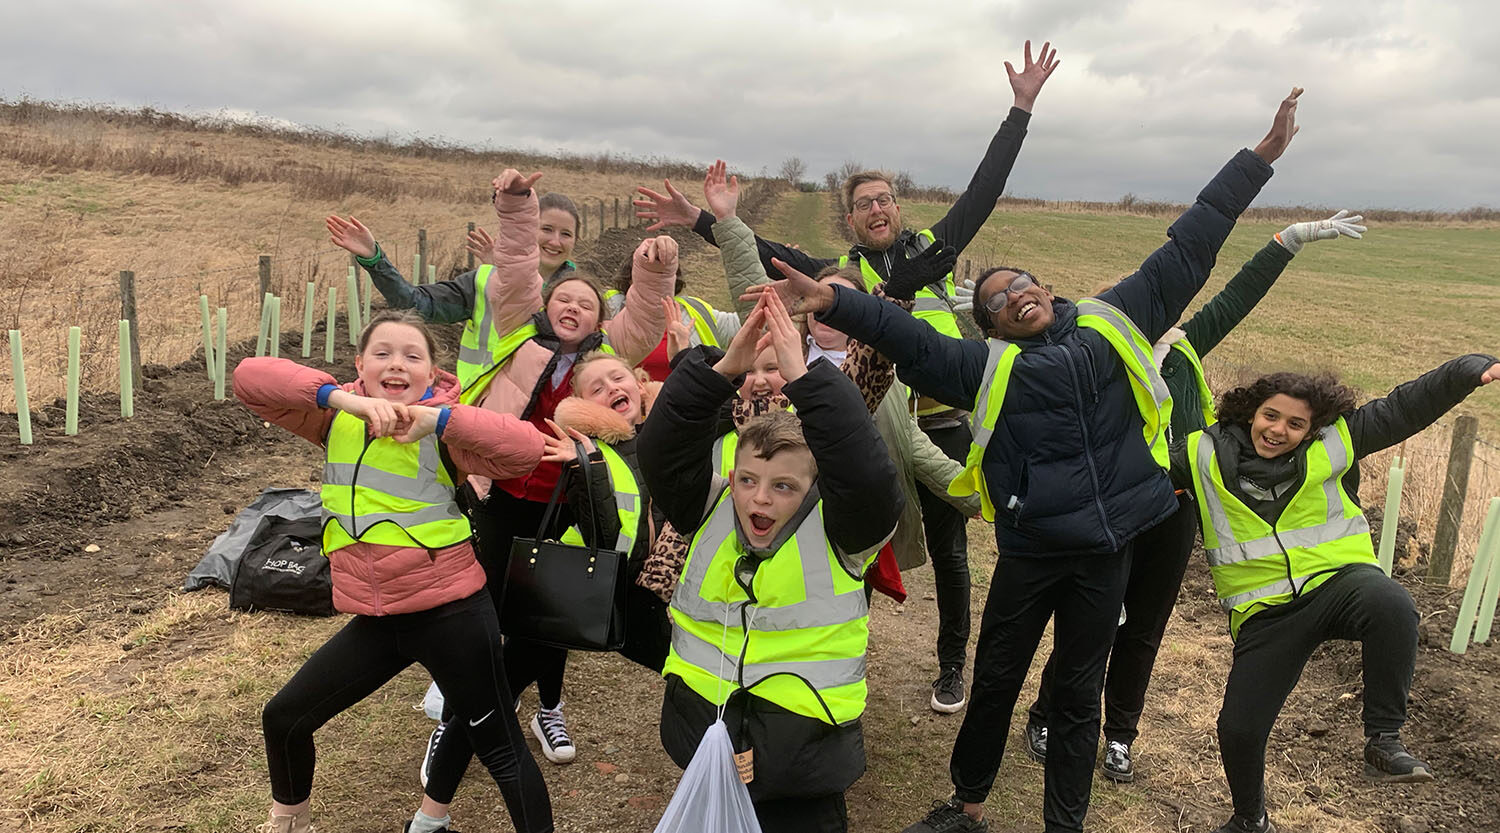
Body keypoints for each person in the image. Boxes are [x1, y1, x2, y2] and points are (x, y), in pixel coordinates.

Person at [743, 88, 1304, 833]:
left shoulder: (1114, 320)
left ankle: (1063, 824)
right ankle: (967, 804)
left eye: (1023, 284)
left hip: (1107, 551)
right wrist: (839, 305)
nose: (1016, 295)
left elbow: (1189, 245)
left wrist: (1256, 161)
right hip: (1033, 547)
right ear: (993, 324)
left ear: (1047, 290)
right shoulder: (987, 368)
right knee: (998, 679)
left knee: (1078, 692)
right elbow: (912, 343)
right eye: (1000, 298)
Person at [1024, 209, 1367, 782]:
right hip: (1112, 509)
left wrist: (1287, 242)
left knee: (1144, 627)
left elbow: (1238, 297)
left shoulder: (1185, 347)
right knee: (1094, 620)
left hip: (1176, 505)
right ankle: (1049, 714)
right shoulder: (1094, 353)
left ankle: (1120, 736)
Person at [232, 311, 555, 833]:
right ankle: (289, 823)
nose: (396, 364)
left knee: (499, 748)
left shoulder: (444, 427)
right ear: (360, 364)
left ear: (432, 372)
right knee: (285, 718)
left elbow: (526, 450)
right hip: (379, 618)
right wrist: (344, 399)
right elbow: (249, 377)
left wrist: (440, 419)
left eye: (413, 356)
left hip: (453, 615)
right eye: (382, 353)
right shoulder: (334, 418)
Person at [694, 149, 989, 709]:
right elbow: (750, 287)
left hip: (846, 512)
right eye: (823, 303)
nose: (832, 313)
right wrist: (725, 221)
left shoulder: (877, 372)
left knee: (841, 599)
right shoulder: (784, 356)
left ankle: (827, 686)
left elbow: (912, 443)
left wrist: (974, 491)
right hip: (778, 503)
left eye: (846, 305)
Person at [408, 170, 671, 778]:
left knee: (553, 605)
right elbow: (520, 266)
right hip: (507, 492)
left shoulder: (610, 351)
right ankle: (462, 712)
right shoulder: (519, 332)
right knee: (491, 605)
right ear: (546, 307)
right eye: (564, 301)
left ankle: (547, 707)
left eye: (587, 303)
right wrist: (516, 205)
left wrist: (654, 271)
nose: (574, 308)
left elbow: (647, 314)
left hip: (574, 497)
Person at [1173, 358, 1500, 833]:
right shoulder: (1199, 453)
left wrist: (1470, 370)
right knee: (1239, 729)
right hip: (1265, 613)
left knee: (1392, 604)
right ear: (1251, 413)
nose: (1279, 430)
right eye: (1271, 416)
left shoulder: (1338, 439)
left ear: (1311, 428)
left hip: (1339, 584)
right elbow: (1136, 480)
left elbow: (1406, 406)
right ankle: (1250, 819)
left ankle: (1383, 741)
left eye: (1295, 423)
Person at [638, 289, 904, 833]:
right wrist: (721, 369)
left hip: (803, 765)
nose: (759, 500)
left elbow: (868, 474)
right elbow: (662, 450)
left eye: (783, 486)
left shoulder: (843, 534)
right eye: (748, 481)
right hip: (706, 740)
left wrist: (806, 380)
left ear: (814, 487)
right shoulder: (708, 505)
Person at [541, 350, 674, 672]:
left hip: (678, 584)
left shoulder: (674, 431)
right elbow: (603, 536)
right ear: (584, 405)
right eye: (597, 389)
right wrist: (591, 468)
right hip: (628, 593)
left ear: (640, 384)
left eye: (617, 378)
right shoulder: (585, 455)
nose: (611, 389)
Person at [326, 191, 582, 323]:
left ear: (575, 241)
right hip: (481, 414)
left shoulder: (584, 298)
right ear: (526, 230)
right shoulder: (481, 284)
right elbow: (416, 305)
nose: (555, 241)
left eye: (566, 234)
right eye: (546, 229)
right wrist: (375, 259)